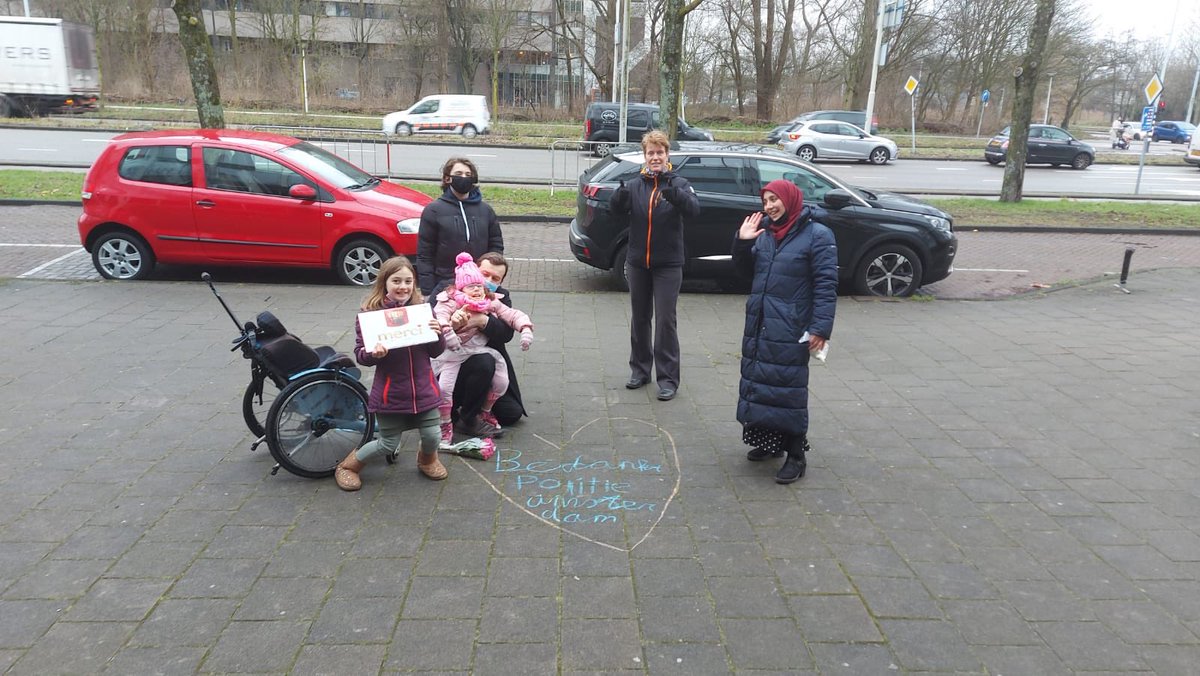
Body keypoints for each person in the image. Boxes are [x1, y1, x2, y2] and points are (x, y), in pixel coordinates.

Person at [732, 179, 837, 484]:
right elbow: (743, 275)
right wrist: (742, 241)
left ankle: (795, 455)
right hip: (761, 322)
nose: (769, 207)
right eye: (765, 201)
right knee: (762, 384)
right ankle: (768, 443)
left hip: (792, 326)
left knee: (787, 390)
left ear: (790, 199)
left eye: (774, 199)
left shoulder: (818, 235)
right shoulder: (764, 233)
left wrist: (820, 327)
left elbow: (826, 286)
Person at [335, 255, 449, 490]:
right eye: (396, 281)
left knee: (432, 436)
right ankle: (348, 466)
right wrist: (373, 354)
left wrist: (439, 334)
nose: (403, 287)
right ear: (384, 282)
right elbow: (360, 354)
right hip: (390, 394)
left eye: (408, 281)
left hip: (424, 390)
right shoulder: (370, 316)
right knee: (387, 444)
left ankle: (427, 459)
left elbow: (436, 351)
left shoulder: (422, 311)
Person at [607, 130, 700, 401]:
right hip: (637, 263)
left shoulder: (679, 183)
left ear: (667, 155)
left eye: (660, 152)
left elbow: (694, 210)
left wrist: (674, 194)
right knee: (639, 318)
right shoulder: (636, 185)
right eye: (651, 153)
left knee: (665, 321)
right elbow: (615, 212)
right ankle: (639, 370)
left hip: (668, 265)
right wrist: (618, 198)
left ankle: (668, 378)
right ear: (645, 157)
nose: (656, 157)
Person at [433, 252, 533, 446]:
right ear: (475, 269)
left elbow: (506, 333)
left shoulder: (498, 297)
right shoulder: (448, 291)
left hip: (480, 359)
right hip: (449, 358)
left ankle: (477, 410)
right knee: (448, 392)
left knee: (511, 413)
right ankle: (463, 417)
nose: (488, 281)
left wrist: (483, 321)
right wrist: (453, 326)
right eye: (485, 274)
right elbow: (432, 323)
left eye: (495, 278)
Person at [416, 157, 505, 299]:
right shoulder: (433, 210)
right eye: (458, 174)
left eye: (468, 175)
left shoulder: (486, 210)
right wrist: (428, 290)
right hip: (445, 284)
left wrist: (490, 277)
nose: (464, 178)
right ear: (447, 179)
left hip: (479, 286)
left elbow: (496, 245)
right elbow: (425, 254)